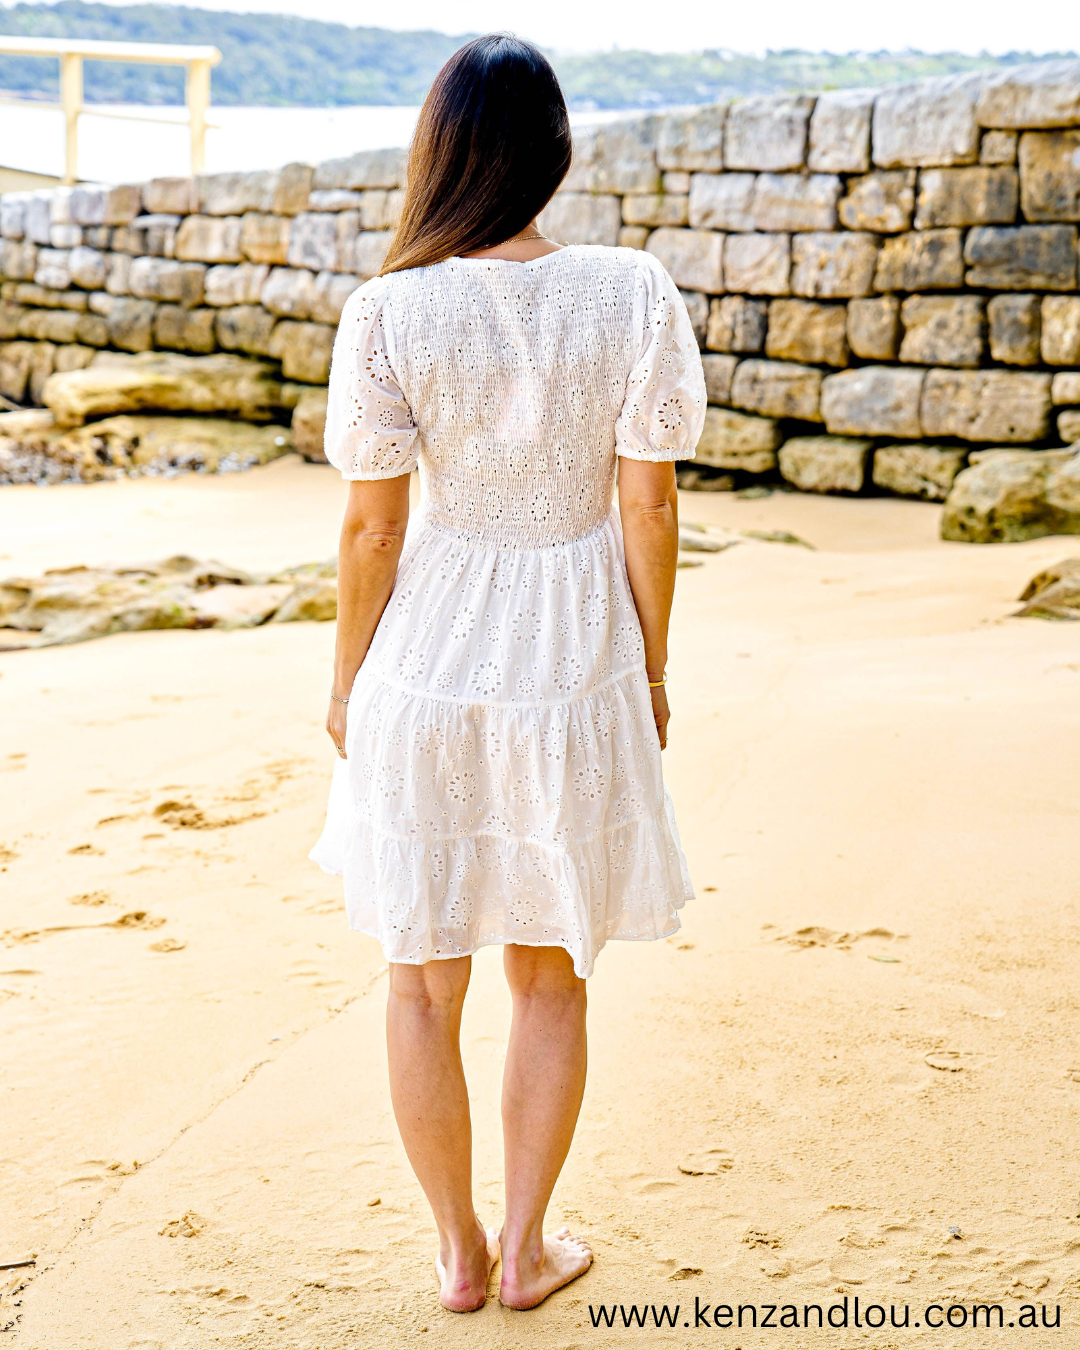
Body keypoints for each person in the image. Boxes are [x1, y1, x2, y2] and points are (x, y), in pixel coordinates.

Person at [310, 33, 706, 1314]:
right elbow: (648, 512)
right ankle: (531, 1247)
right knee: (550, 970)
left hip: (425, 660)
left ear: (438, 153)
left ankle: (457, 1253)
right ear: (554, 153)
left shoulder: (387, 310)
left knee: (422, 979)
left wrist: (345, 678)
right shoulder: (634, 292)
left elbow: (373, 528)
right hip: (573, 658)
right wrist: (648, 664)